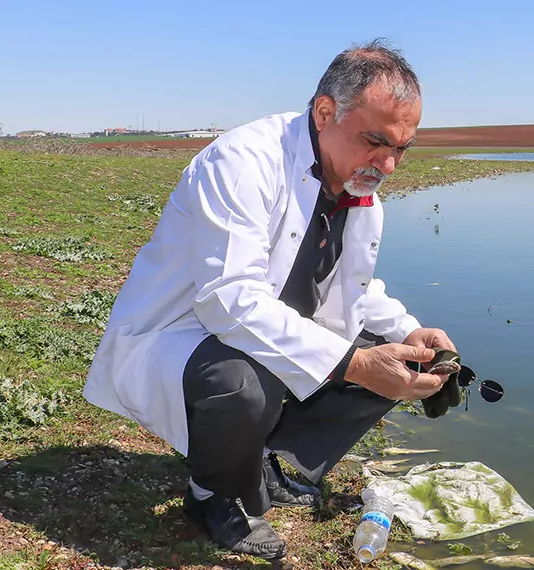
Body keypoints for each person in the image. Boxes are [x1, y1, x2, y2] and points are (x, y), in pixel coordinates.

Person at [82, 39, 462, 560]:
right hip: (187, 332)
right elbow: (228, 300)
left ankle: (270, 462)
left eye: (402, 147)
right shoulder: (244, 161)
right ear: (325, 112)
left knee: (400, 359)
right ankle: (213, 495)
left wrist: (409, 332)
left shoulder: (358, 184)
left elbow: (353, 287)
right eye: (377, 141)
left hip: (270, 326)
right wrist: (354, 362)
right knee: (245, 385)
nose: (390, 164)